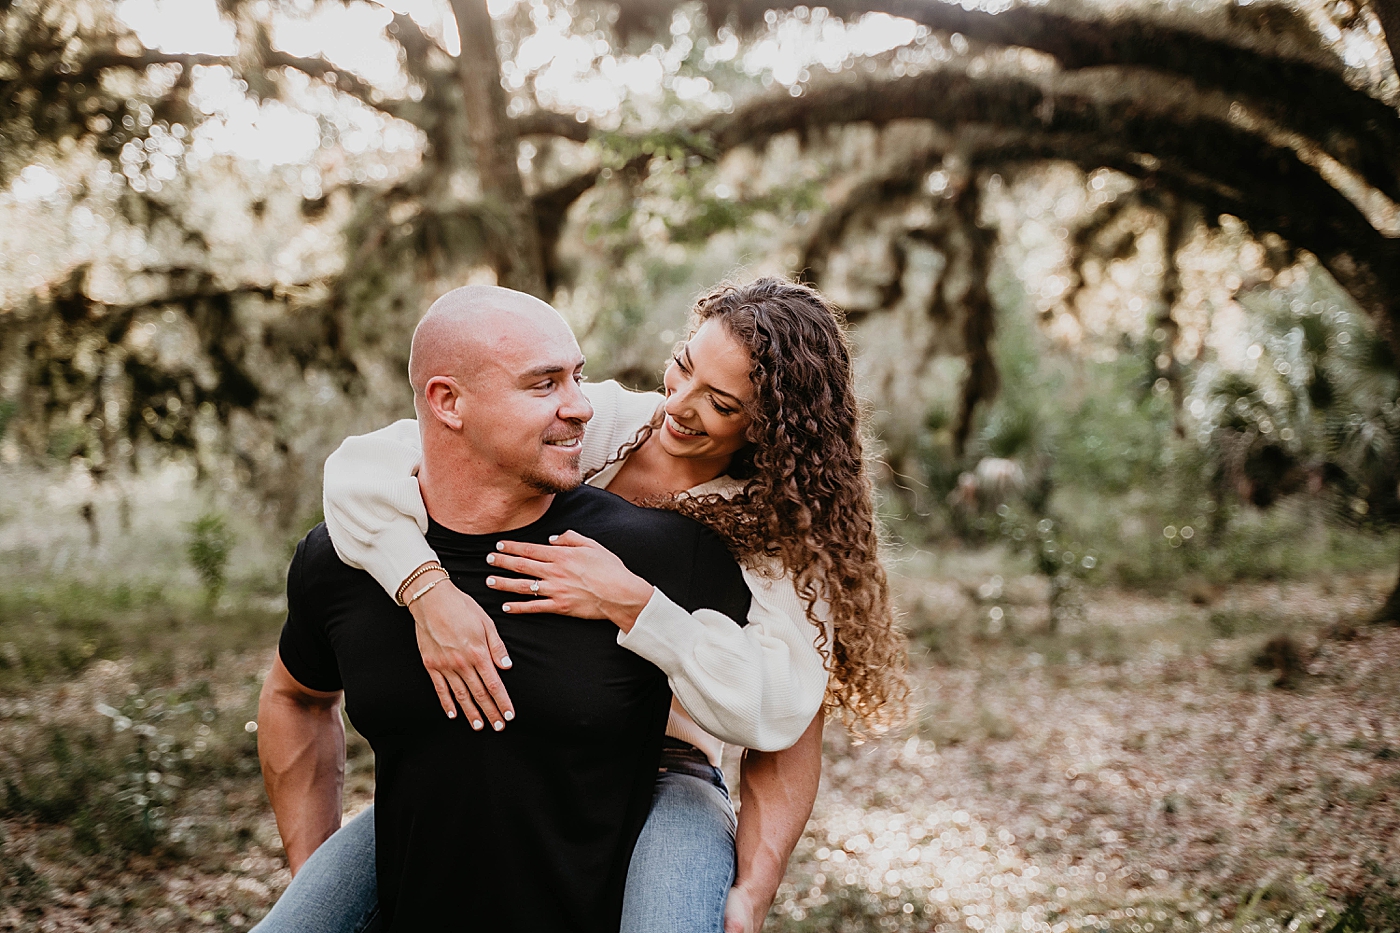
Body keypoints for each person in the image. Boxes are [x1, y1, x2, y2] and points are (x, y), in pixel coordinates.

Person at [268, 277, 908, 933]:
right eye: (682, 367)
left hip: (661, 765)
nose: (678, 406)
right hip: (502, 759)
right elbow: (370, 464)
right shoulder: (601, 420)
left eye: (718, 402)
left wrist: (755, 883)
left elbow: (788, 714)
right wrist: (424, 588)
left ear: (769, 425)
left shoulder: (776, 535)